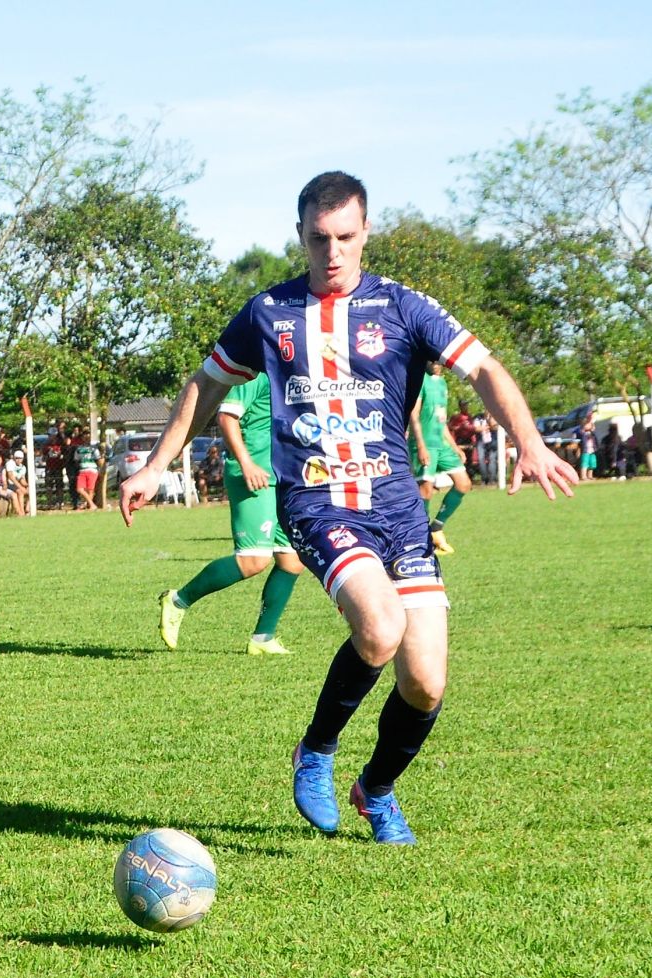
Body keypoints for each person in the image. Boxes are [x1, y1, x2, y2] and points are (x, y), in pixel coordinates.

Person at [121, 172, 576, 844]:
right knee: (381, 627)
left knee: (424, 681)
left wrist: (529, 442)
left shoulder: (403, 308)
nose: (331, 251)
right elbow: (206, 384)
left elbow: (482, 367)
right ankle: (317, 749)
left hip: (397, 509)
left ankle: (377, 789)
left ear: (365, 233)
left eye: (344, 237)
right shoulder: (268, 312)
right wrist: (156, 465)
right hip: (316, 501)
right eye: (318, 238)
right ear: (300, 235)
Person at [159, 373, 305, 656]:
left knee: (292, 560)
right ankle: (178, 601)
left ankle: (263, 638)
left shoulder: (292, 372)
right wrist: (247, 463)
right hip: (254, 475)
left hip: (282, 477)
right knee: (253, 560)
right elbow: (226, 418)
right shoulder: (254, 373)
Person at [409, 363, 473, 555]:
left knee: (463, 484)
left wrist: (454, 446)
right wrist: (420, 444)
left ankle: (436, 527)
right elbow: (414, 414)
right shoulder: (420, 380)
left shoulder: (443, 383)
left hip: (441, 444)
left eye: (439, 362)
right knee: (426, 491)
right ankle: (420, 537)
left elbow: (441, 419)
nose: (437, 365)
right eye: (433, 361)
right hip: (424, 442)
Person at [73, 433, 101, 510]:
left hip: (92, 470)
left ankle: (88, 505)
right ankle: (92, 504)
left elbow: (98, 459)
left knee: (90, 490)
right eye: (85, 437)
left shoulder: (94, 449)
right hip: (82, 470)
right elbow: (76, 460)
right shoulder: (79, 449)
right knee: (79, 489)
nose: (86, 438)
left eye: (88, 437)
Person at [4, 449, 30, 516]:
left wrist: (27, 485)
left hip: (16, 484)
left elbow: (22, 479)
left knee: (30, 491)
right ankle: (21, 512)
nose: (18, 460)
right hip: (9, 484)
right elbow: (11, 477)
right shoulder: (10, 463)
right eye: (17, 458)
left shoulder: (23, 467)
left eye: (20, 458)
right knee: (20, 492)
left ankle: (27, 509)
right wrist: (20, 487)